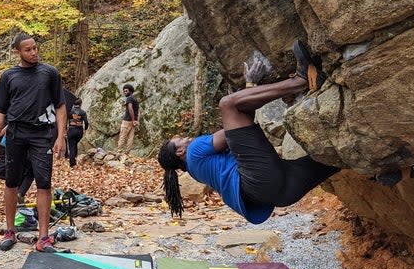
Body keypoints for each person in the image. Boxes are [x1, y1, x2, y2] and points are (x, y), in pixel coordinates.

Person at [158, 40, 338, 222]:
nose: (187, 138)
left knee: (339, 156)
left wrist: (250, 89)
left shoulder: (196, 171)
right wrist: (250, 83)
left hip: (280, 195)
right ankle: (301, 81)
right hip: (262, 179)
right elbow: (234, 124)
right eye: (181, 139)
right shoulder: (195, 151)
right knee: (227, 104)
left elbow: (241, 129)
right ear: (180, 152)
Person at [0, 33, 66, 253]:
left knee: (44, 182)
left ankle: (43, 237)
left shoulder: (49, 73)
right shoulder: (9, 76)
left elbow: (60, 105)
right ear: (18, 52)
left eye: (35, 48)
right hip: (15, 133)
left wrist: (61, 136)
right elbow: (0, 109)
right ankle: (10, 231)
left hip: (42, 134)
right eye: (28, 50)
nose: (33, 53)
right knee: (11, 182)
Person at [116, 83, 139, 155]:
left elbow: (130, 109)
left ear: (130, 91)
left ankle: (119, 152)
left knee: (122, 136)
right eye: (124, 91)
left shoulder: (129, 98)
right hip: (133, 122)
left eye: (126, 91)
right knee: (130, 138)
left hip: (127, 121)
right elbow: (139, 111)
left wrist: (132, 120)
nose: (124, 92)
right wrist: (136, 121)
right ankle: (127, 154)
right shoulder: (135, 99)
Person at [66, 98, 89, 167]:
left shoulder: (70, 111)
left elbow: (65, 120)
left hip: (71, 130)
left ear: (73, 104)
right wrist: (85, 129)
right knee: (75, 144)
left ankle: (72, 163)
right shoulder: (83, 112)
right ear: (80, 104)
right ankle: (74, 159)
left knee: (71, 146)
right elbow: (86, 122)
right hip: (79, 131)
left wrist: (65, 128)